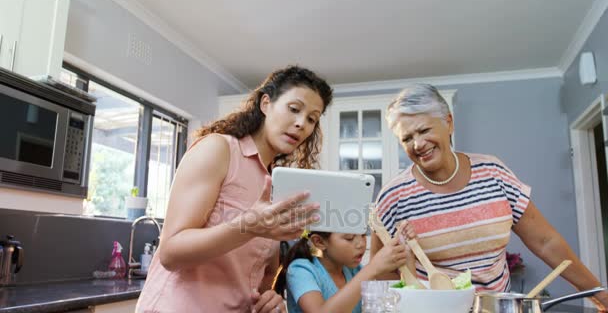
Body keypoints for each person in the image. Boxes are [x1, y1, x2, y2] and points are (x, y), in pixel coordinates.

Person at [370, 83, 608, 310]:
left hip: (496, 308)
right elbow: (380, 273)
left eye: (424, 130)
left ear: (449, 123)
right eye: (407, 138)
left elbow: (546, 242)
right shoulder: (394, 196)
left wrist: (597, 292)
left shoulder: (493, 173)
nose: (418, 144)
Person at [136, 65, 333, 313]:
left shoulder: (275, 184)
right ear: (265, 104)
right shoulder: (219, 150)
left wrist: (270, 298)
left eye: (312, 119)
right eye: (294, 109)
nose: (301, 124)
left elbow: (261, 276)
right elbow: (171, 253)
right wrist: (247, 226)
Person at [274, 230, 411, 313]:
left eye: (363, 235)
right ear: (319, 242)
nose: (361, 244)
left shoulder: (354, 270)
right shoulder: (300, 270)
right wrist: (372, 268)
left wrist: (407, 248)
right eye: (349, 238)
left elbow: (406, 291)